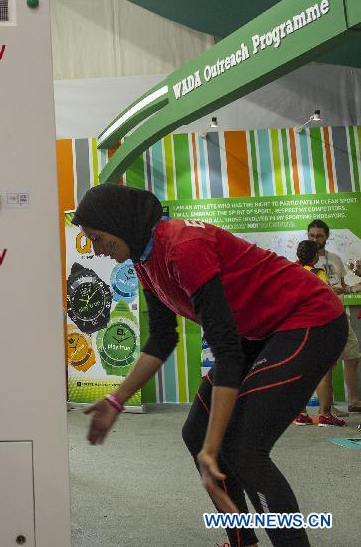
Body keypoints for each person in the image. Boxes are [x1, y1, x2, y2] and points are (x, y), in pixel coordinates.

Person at [76, 184, 346, 547]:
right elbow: (161, 339)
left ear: (119, 223)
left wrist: (212, 449)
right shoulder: (144, 259)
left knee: (243, 449)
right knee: (196, 433)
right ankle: (242, 541)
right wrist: (116, 400)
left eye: (97, 238)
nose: (97, 250)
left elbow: (227, 352)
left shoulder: (183, 247)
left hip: (310, 319)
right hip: (258, 331)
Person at [307, 219, 361, 415]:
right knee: (327, 364)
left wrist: (348, 288)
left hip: (342, 315)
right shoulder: (306, 261)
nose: (315, 239)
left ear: (327, 236)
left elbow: (343, 285)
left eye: (319, 236)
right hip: (322, 319)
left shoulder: (336, 259)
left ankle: (354, 401)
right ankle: (327, 409)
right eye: (312, 235)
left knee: (353, 357)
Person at [292, 241, 343, 426]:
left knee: (299, 371)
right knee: (324, 371)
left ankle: (300, 413)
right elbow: (323, 298)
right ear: (315, 256)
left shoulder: (290, 270)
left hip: (295, 326)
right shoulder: (318, 273)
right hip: (316, 325)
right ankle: (325, 414)